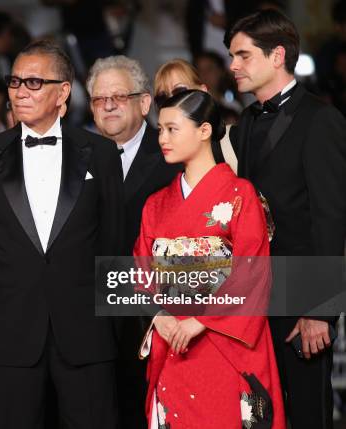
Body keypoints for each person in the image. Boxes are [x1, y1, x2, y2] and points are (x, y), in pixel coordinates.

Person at [0, 40, 123, 429]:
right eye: (15, 81)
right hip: (12, 334)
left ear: (63, 92)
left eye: (33, 82)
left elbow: (113, 242)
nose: (20, 91)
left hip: (87, 333)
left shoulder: (101, 154)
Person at [134, 89, 285, 428]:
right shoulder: (156, 204)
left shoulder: (239, 194)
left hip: (224, 341)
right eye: (160, 129)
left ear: (204, 131)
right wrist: (159, 316)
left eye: (173, 129)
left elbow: (252, 272)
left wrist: (201, 320)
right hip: (172, 338)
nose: (163, 138)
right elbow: (142, 268)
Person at [225, 10, 346, 428]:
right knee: (257, 415)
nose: (233, 65)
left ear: (277, 56)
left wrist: (321, 310)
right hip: (252, 304)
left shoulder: (321, 119)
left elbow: (331, 219)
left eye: (242, 55)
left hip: (302, 308)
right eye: (231, 55)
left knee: (309, 414)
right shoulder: (243, 126)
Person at [86, 55, 179, 429]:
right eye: (98, 98)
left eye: (119, 96)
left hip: (154, 321)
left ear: (144, 103)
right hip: (91, 324)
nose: (108, 104)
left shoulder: (172, 157)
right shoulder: (76, 161)